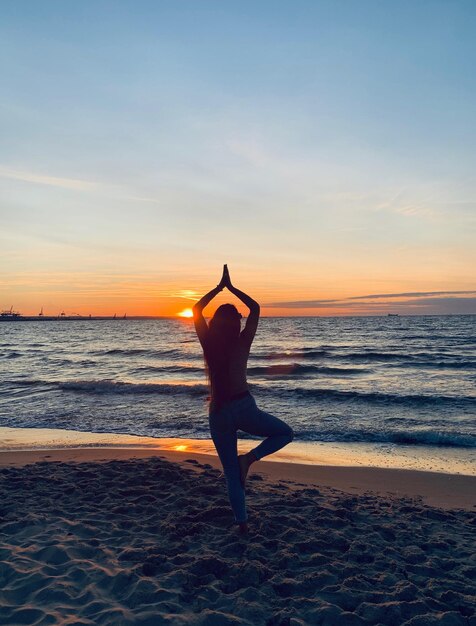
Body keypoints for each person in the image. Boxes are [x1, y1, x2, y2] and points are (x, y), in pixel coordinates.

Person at [193, 265, 294, 533]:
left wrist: (217, 288)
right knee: (285, 433)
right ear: (236, 322)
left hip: (218, 412)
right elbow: (256, 308)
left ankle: (242, 524)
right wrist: (232, 287)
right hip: (243, 406)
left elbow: (195, 310)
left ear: (214, 322)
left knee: (230, 476)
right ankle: (250, 459)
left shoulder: (209, 345)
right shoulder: (242, 342)